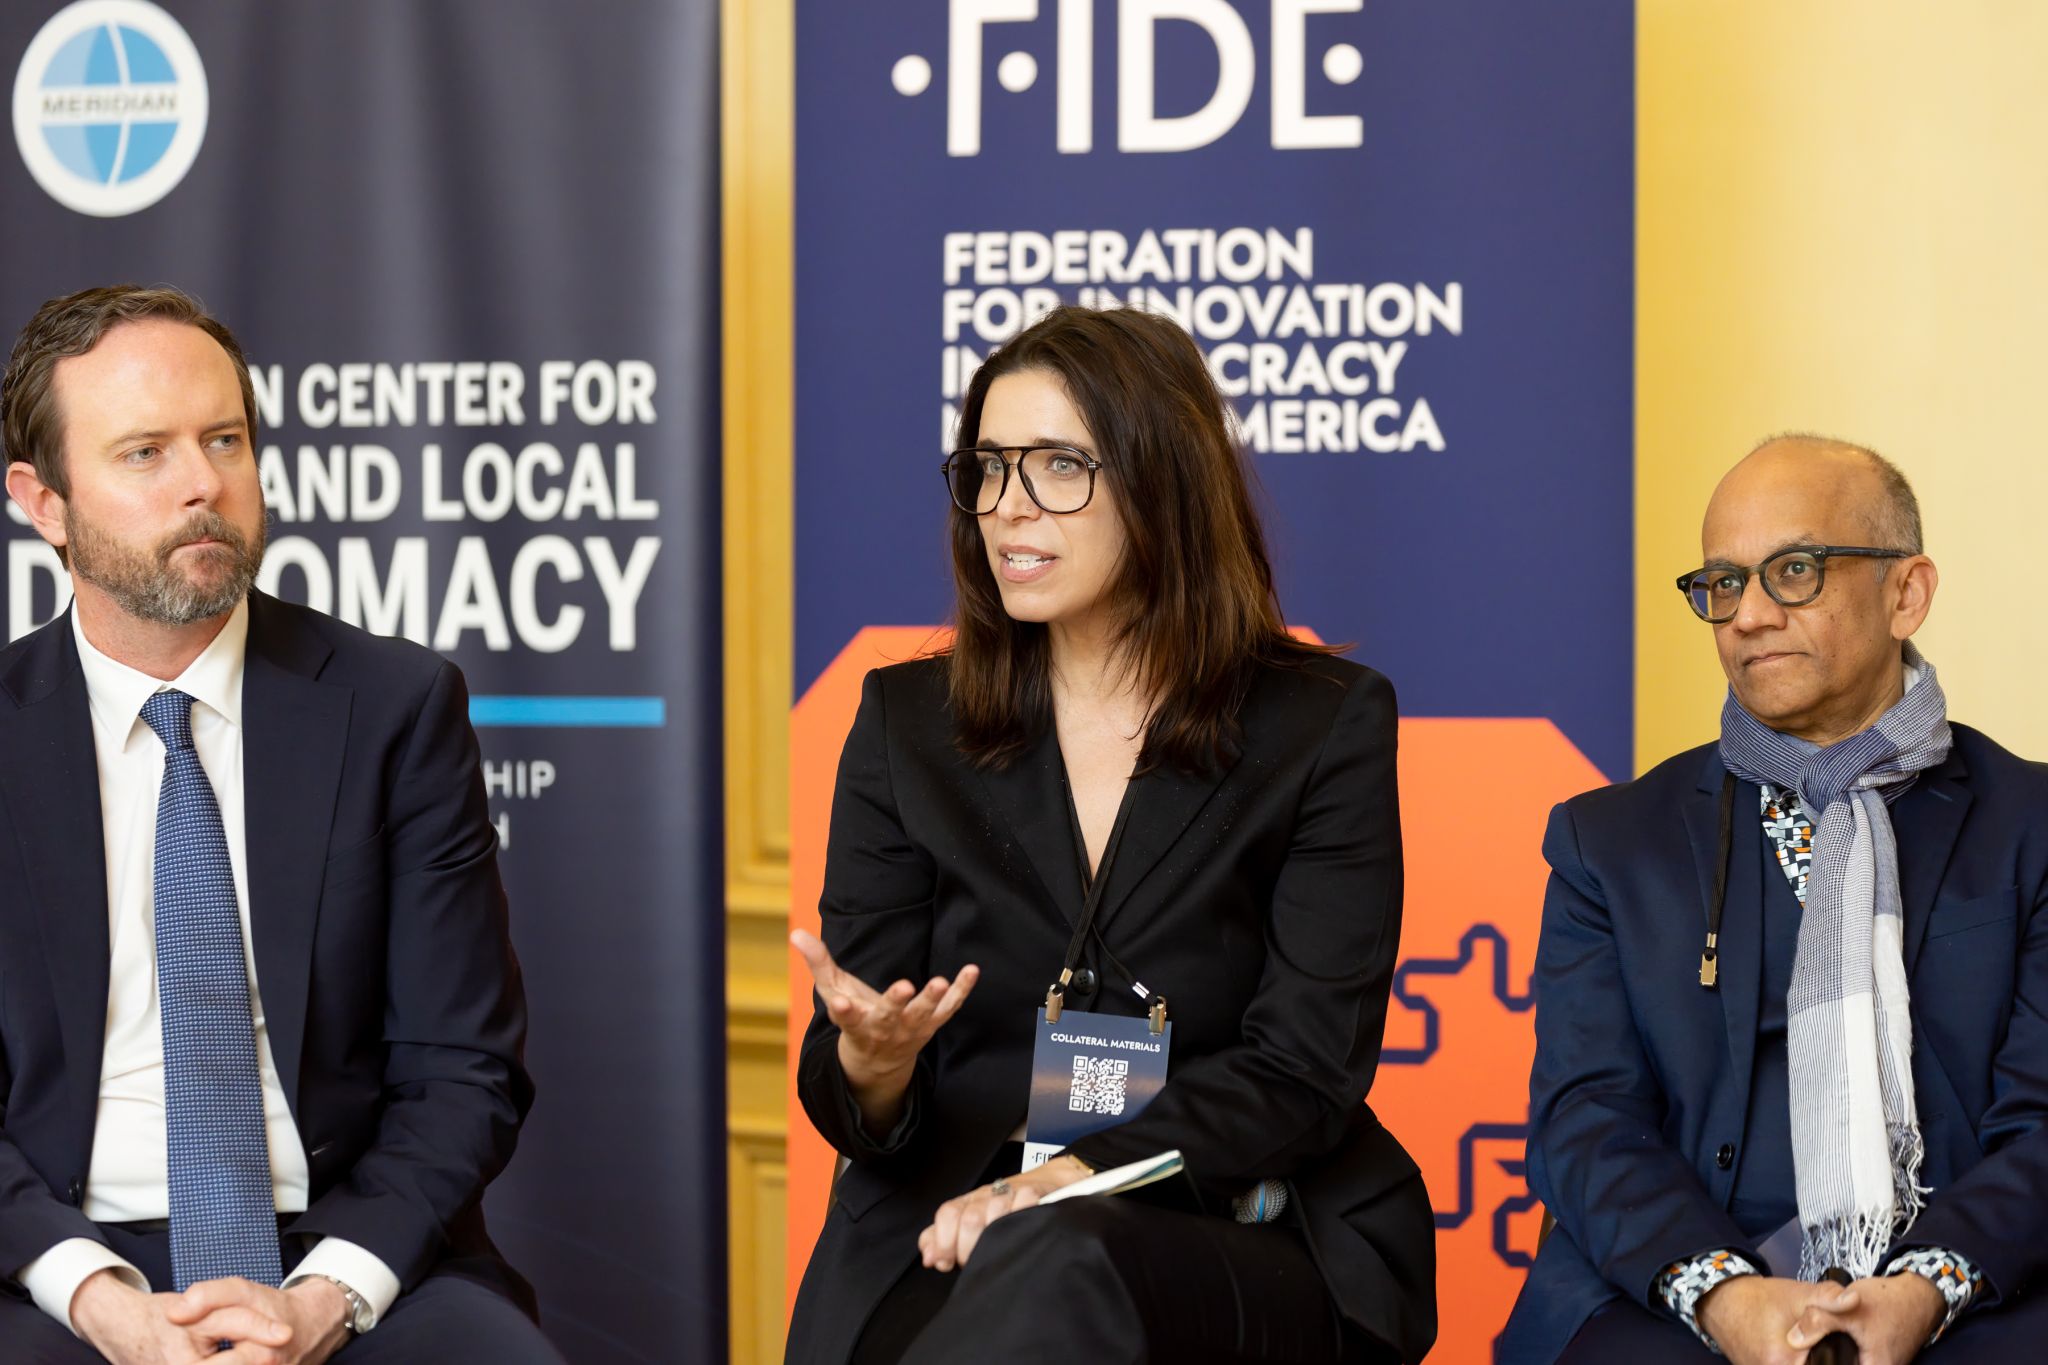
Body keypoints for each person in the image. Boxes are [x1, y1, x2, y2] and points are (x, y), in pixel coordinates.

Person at [784, 305, 1436, 1365]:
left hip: (1236, 1216)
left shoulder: (1321, 723)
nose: (1006, 508)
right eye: (987, 469)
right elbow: (856, 1098)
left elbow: (1303, 1067)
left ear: (1162, 479)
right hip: (951, 1216)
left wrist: (1070, 1178)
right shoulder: (906, 723)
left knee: (1062, 1258)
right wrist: (871, 1063)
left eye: (1055, 466)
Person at [0, 285, 563, 1363]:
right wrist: (96, 1297)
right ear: (45, 503)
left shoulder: (396, 706)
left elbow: (463, 1072)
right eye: (144, 454)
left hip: (335, 1243)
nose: (205, 484)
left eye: (225, 440)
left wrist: (321, 1299)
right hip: (49, 1262)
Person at [1500, 437, 2048, 1363]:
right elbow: (1586, 1122)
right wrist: (1727, 1295)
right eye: (1721, 582)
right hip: (1680, 1285)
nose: (1748, 614)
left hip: (1973, 1281)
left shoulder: (2030, 823)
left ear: (1906, 592)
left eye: (1794, 571)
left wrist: (1924, 1289)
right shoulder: (1612, 841)